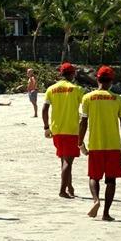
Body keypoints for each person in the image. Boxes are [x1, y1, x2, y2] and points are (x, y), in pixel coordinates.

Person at [78, 66, 121, 221]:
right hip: (113, 145)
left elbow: (83, 122)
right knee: (111, 180)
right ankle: (106, 213)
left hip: (95, 144)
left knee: (94, 177)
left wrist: (80, 143)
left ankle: (96, 200)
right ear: (111, 81)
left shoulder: (88, 98)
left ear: (97, 79)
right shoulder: (117, 99)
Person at [42, 62, 84, 198]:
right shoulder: (76, 89)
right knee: (68, 161)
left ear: (61, 74)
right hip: (71, 129)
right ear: (72, 74)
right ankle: (62, 190)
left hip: (56, 130)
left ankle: (69, 187)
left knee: (64, 160)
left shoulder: (51, 89)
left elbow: (44, 109)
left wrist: (46, 127)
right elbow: (85, 108)